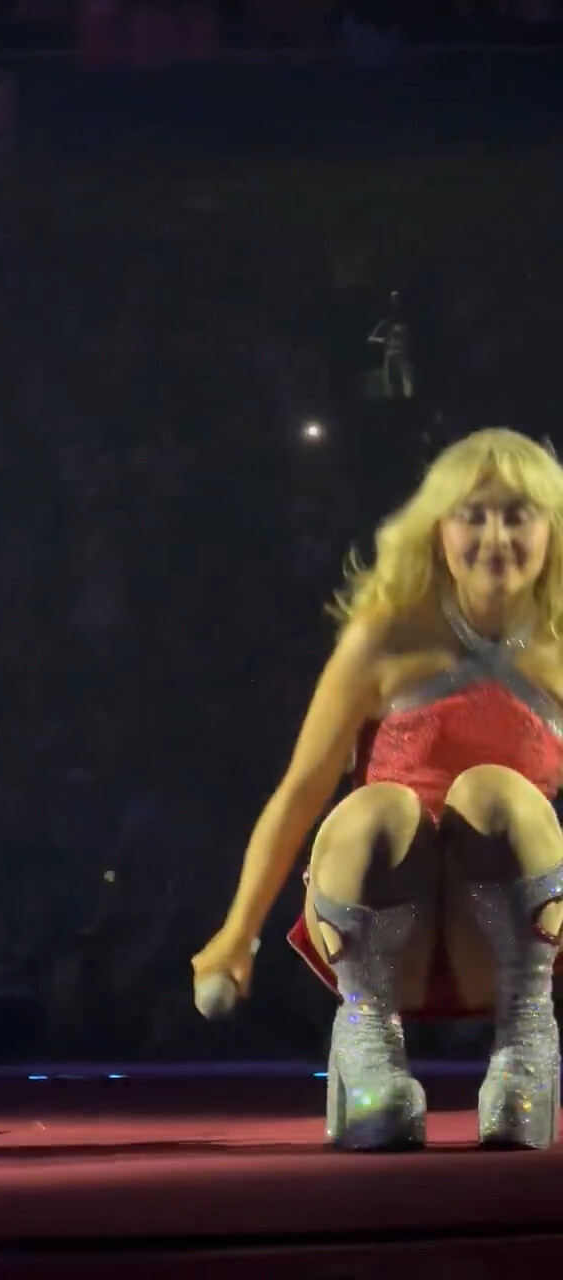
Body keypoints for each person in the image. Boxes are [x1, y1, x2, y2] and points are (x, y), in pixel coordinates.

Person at [191, 427, 563, 1152]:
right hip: (387, 930)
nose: (495, 537)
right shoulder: (383, 640)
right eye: (473, 515)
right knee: (381, 805)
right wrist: (237, 934)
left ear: (550, 529)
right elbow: (299, 794)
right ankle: (367, 1043)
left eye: (517, 515)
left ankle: (527, 1043)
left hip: (506, 941)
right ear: (439, 531)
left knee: (496, 791)